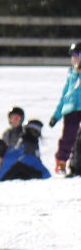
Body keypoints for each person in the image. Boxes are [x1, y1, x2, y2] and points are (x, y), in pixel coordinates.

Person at [49, 41, 81, 174]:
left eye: (77, 54)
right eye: (73, 55)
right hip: (71, 109)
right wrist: (56, 116)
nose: (74, 58)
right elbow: (64, 97)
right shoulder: (71, 75)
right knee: (69, 135)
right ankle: (61, 162)